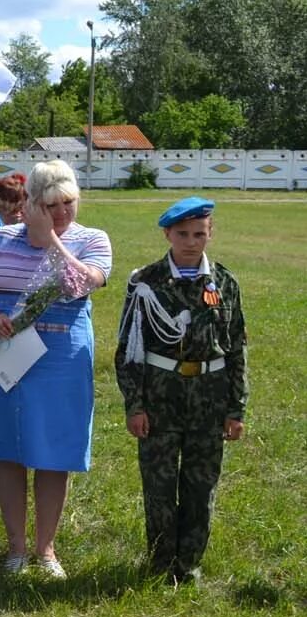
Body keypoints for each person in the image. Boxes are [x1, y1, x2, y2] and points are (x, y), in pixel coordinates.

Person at [0, 159, 110, 578]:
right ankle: (15, 548)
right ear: (31, 203)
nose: (62, 212)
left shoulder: (92, 239)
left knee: (54, 452)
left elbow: (82, 283)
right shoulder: (1, 239)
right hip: (8, 352)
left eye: (69, 202)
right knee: (8, 450)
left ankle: (46, 550)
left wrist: (51, 241)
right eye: (51, 205)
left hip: (62, 355)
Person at [115, 197, 248, 584]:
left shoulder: (224, 282)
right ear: (167, 234)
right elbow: (128, 350)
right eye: (183, 234)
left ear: (210, 233)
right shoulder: (145, 282)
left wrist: (236, 409)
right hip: (160, 399)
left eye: (199, 234)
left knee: (199, 488)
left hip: (211, 399)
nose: (191, 243)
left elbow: (237, 347)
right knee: (158, 488)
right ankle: (159, 566)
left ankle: (188, 566)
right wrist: (134, 405)